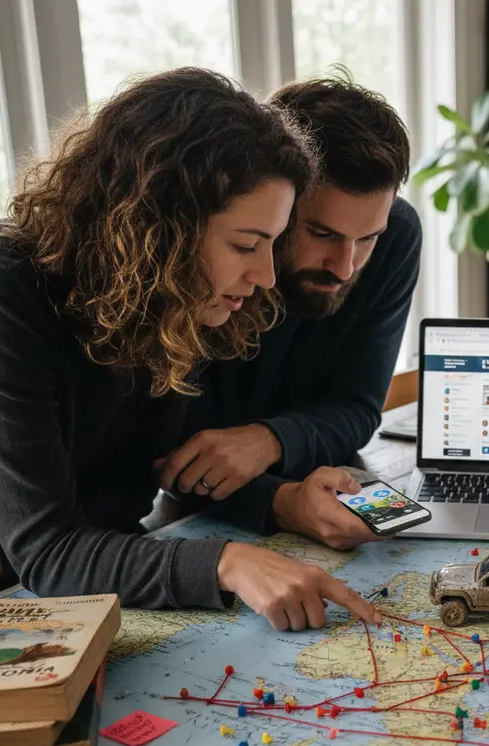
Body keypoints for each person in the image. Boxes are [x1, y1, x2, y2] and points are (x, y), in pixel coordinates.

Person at [0, 68, 379, 632]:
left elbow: (128, 494)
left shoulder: (174, 294)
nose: (265, 275)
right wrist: (229, 563)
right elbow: (53, 553)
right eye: (247, 245)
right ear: (161, 226)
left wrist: (282, 498)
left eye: (273, 244)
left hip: (19, 577)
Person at [156, 75, 422, 552]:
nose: (345, 267)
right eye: (322, 233)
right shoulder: (206, 256)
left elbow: (358, 405)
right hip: (191, 511)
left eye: (367, 238)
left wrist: (269, 440)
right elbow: (171, 450)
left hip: (326, 481)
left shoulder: (398, 235)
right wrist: (279, 500)